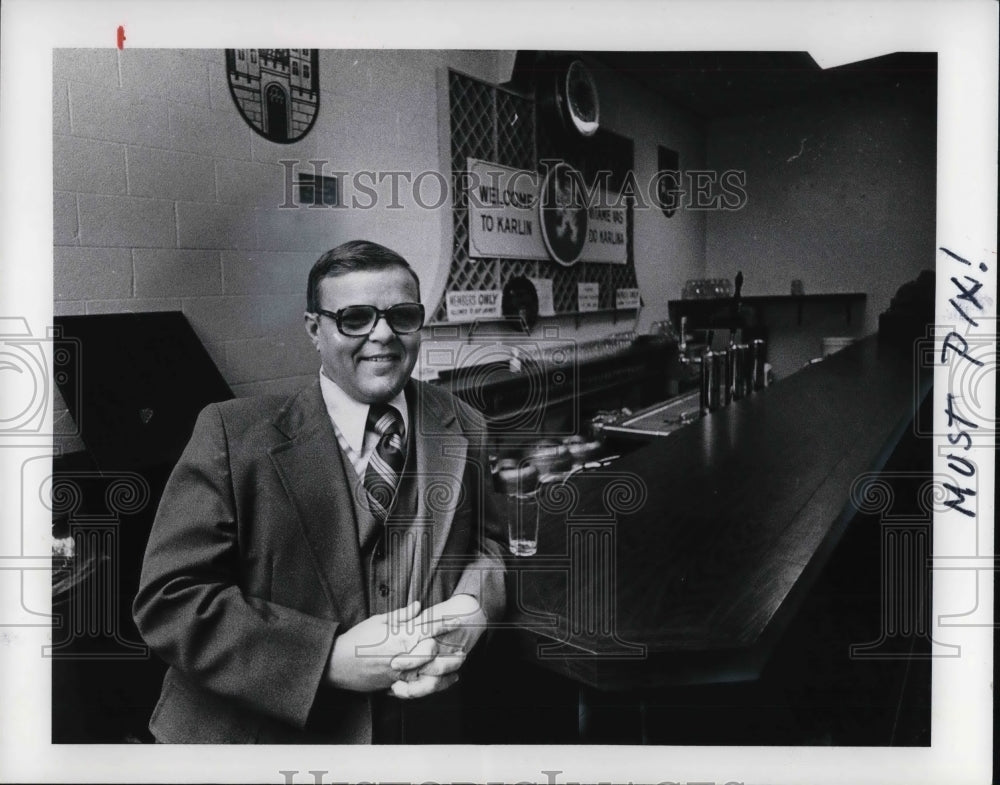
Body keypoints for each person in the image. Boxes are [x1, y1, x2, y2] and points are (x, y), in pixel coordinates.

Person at [132, 240, 507, 743]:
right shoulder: (232, 435)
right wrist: (326, 661)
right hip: (258, 744)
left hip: (416, 735)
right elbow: (169, 600)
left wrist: (474, 610)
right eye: (355, 317)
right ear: (316, 329)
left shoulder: (465, 425)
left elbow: (492, 547)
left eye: (402, 315)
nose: (383, 335)